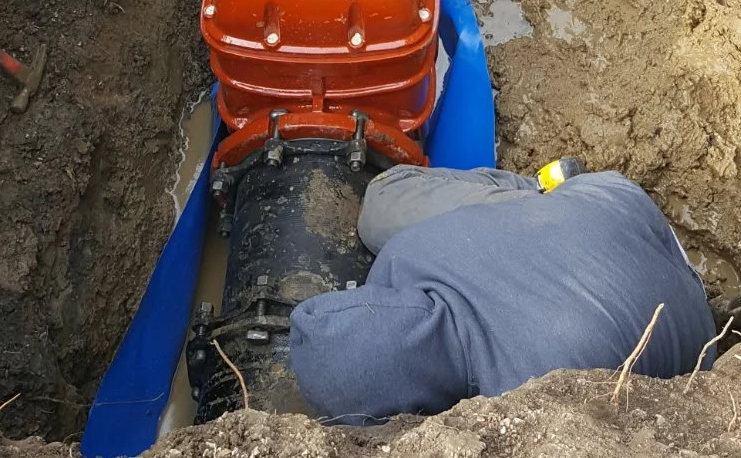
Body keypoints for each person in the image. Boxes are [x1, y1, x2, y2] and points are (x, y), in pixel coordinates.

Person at [287, 164, 717, 425]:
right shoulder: (405, 256)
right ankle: (539, 188)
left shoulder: (518, 405)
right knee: (382, 205)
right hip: (616, 200)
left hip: (700, 325)